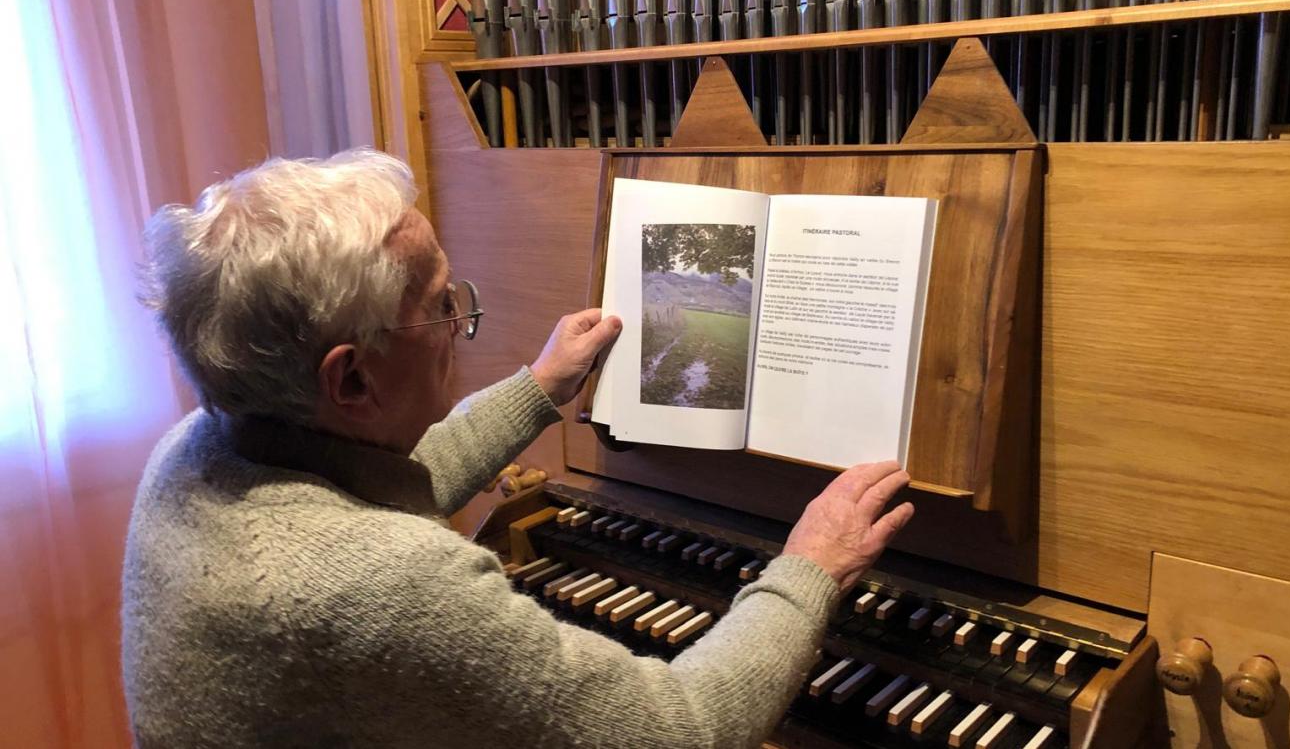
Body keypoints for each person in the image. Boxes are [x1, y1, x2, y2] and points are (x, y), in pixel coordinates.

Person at [123, 149, 915, 748]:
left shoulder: (195, 451)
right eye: (441, 303)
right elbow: (680, 726)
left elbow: (385, 486)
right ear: (352, 377)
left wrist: (540, 385)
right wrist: (810, 566)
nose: (461, 322)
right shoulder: (382, 584)